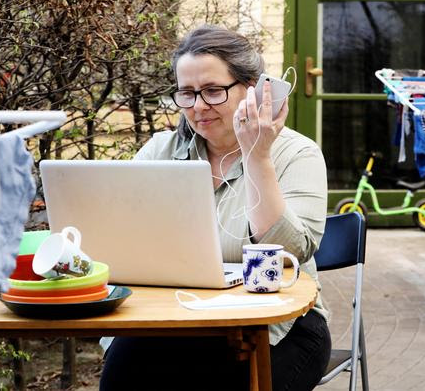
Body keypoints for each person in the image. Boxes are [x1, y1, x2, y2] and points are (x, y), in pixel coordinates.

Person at [99, 25, 331, 391]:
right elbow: (122, 244)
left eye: (212, 91)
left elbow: (289, 251)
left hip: (275, 327)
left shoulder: (297, 154)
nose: (199, 106)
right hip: (173, 321)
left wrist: (258, 155)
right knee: (122, 371)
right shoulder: (159, 152)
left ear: (253, 89)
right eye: (187, 94)